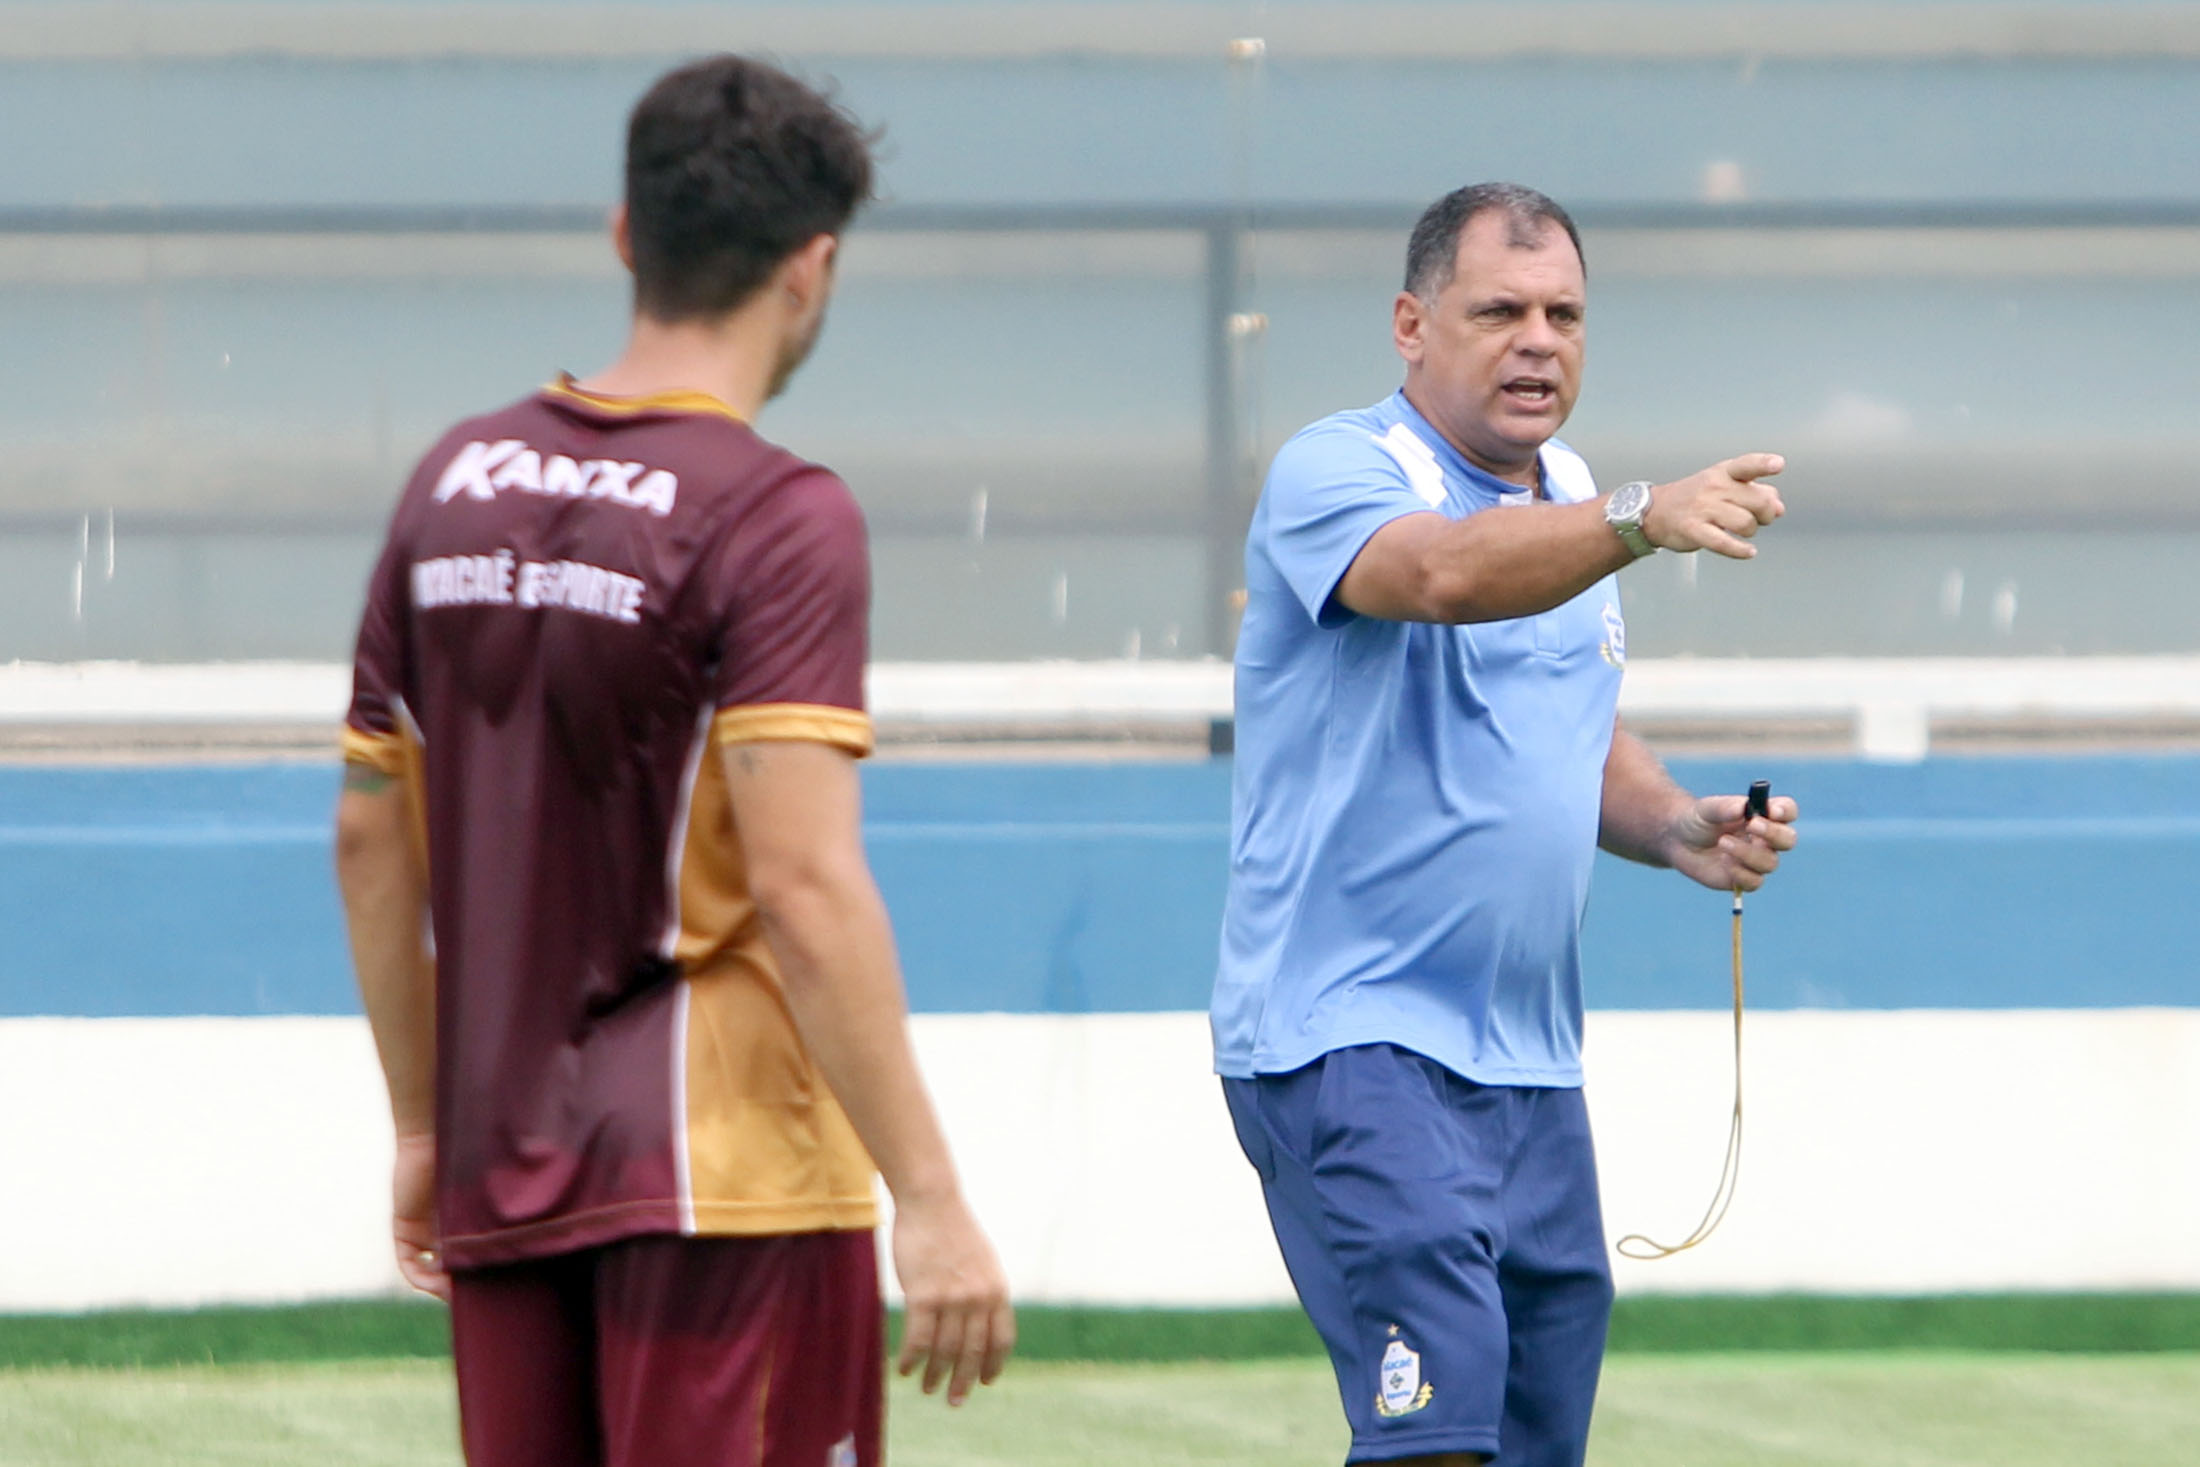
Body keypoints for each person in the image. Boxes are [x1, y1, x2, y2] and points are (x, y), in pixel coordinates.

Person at [333, 54, 1012, 1467]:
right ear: (813, 267)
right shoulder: (777, 514)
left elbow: (368, 835)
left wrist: (420, 1125)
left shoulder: (453, 477)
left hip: (499, 1160)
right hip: (730, 1182)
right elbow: (807, 881)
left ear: (625, 232)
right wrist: (931, 1194)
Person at [1210, 181, 1800, 1467]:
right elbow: (1434, 576)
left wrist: (1675, 831)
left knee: (1534, 1438)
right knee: (1440, 1425)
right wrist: (1638, 520)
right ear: (1412, 324)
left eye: (1564, 313)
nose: (1539, 339)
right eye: (1499, 310)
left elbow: (1564, 727)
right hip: (1353, 1040)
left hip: (1530, 1065)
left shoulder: (1569, 492)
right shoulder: (1340, 468)